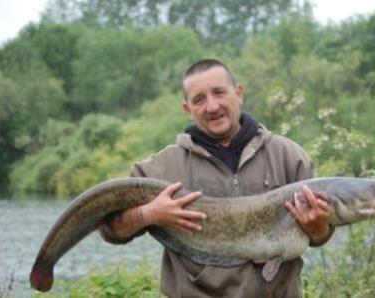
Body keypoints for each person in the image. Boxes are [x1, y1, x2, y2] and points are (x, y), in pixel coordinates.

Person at [100, 58, 334, 297]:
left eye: (219, 92)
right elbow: (111, 229)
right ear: (187, 109)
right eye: (199, 99)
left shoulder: (289, 156)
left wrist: (319, 229)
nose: (212, 106)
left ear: (238, 93)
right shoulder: (161, 169)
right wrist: (149, 214)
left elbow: (318, 236)